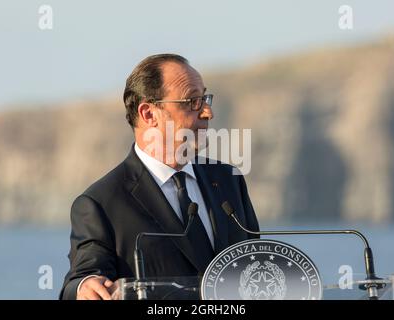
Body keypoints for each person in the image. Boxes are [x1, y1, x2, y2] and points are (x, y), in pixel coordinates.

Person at [60, 54, 260, 300]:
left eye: (205, 99)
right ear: (148, 114)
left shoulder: (229, 180)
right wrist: (85, 285)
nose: (207, 112)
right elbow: (83, 277)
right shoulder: (100, 204)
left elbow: (257, 265)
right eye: (193, 101)